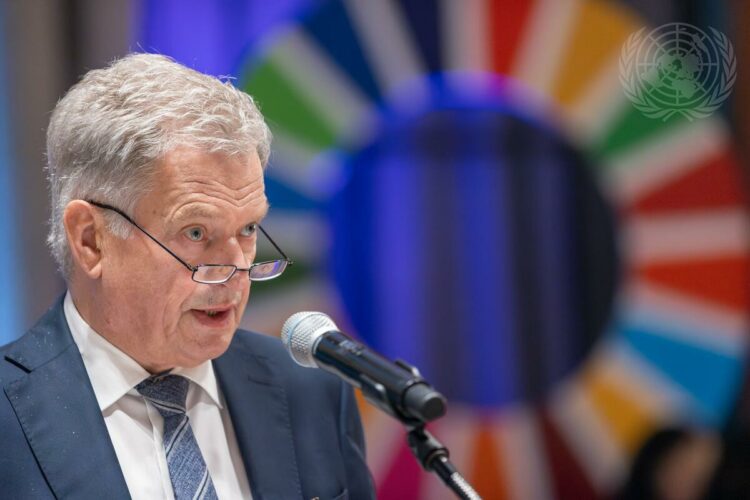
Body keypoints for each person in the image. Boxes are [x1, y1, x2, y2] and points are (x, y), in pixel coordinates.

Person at [0, 53, 374, 499]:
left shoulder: (313, 394)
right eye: (196, 233)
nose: (237, 272)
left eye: (249, 228)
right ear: (91, 240)